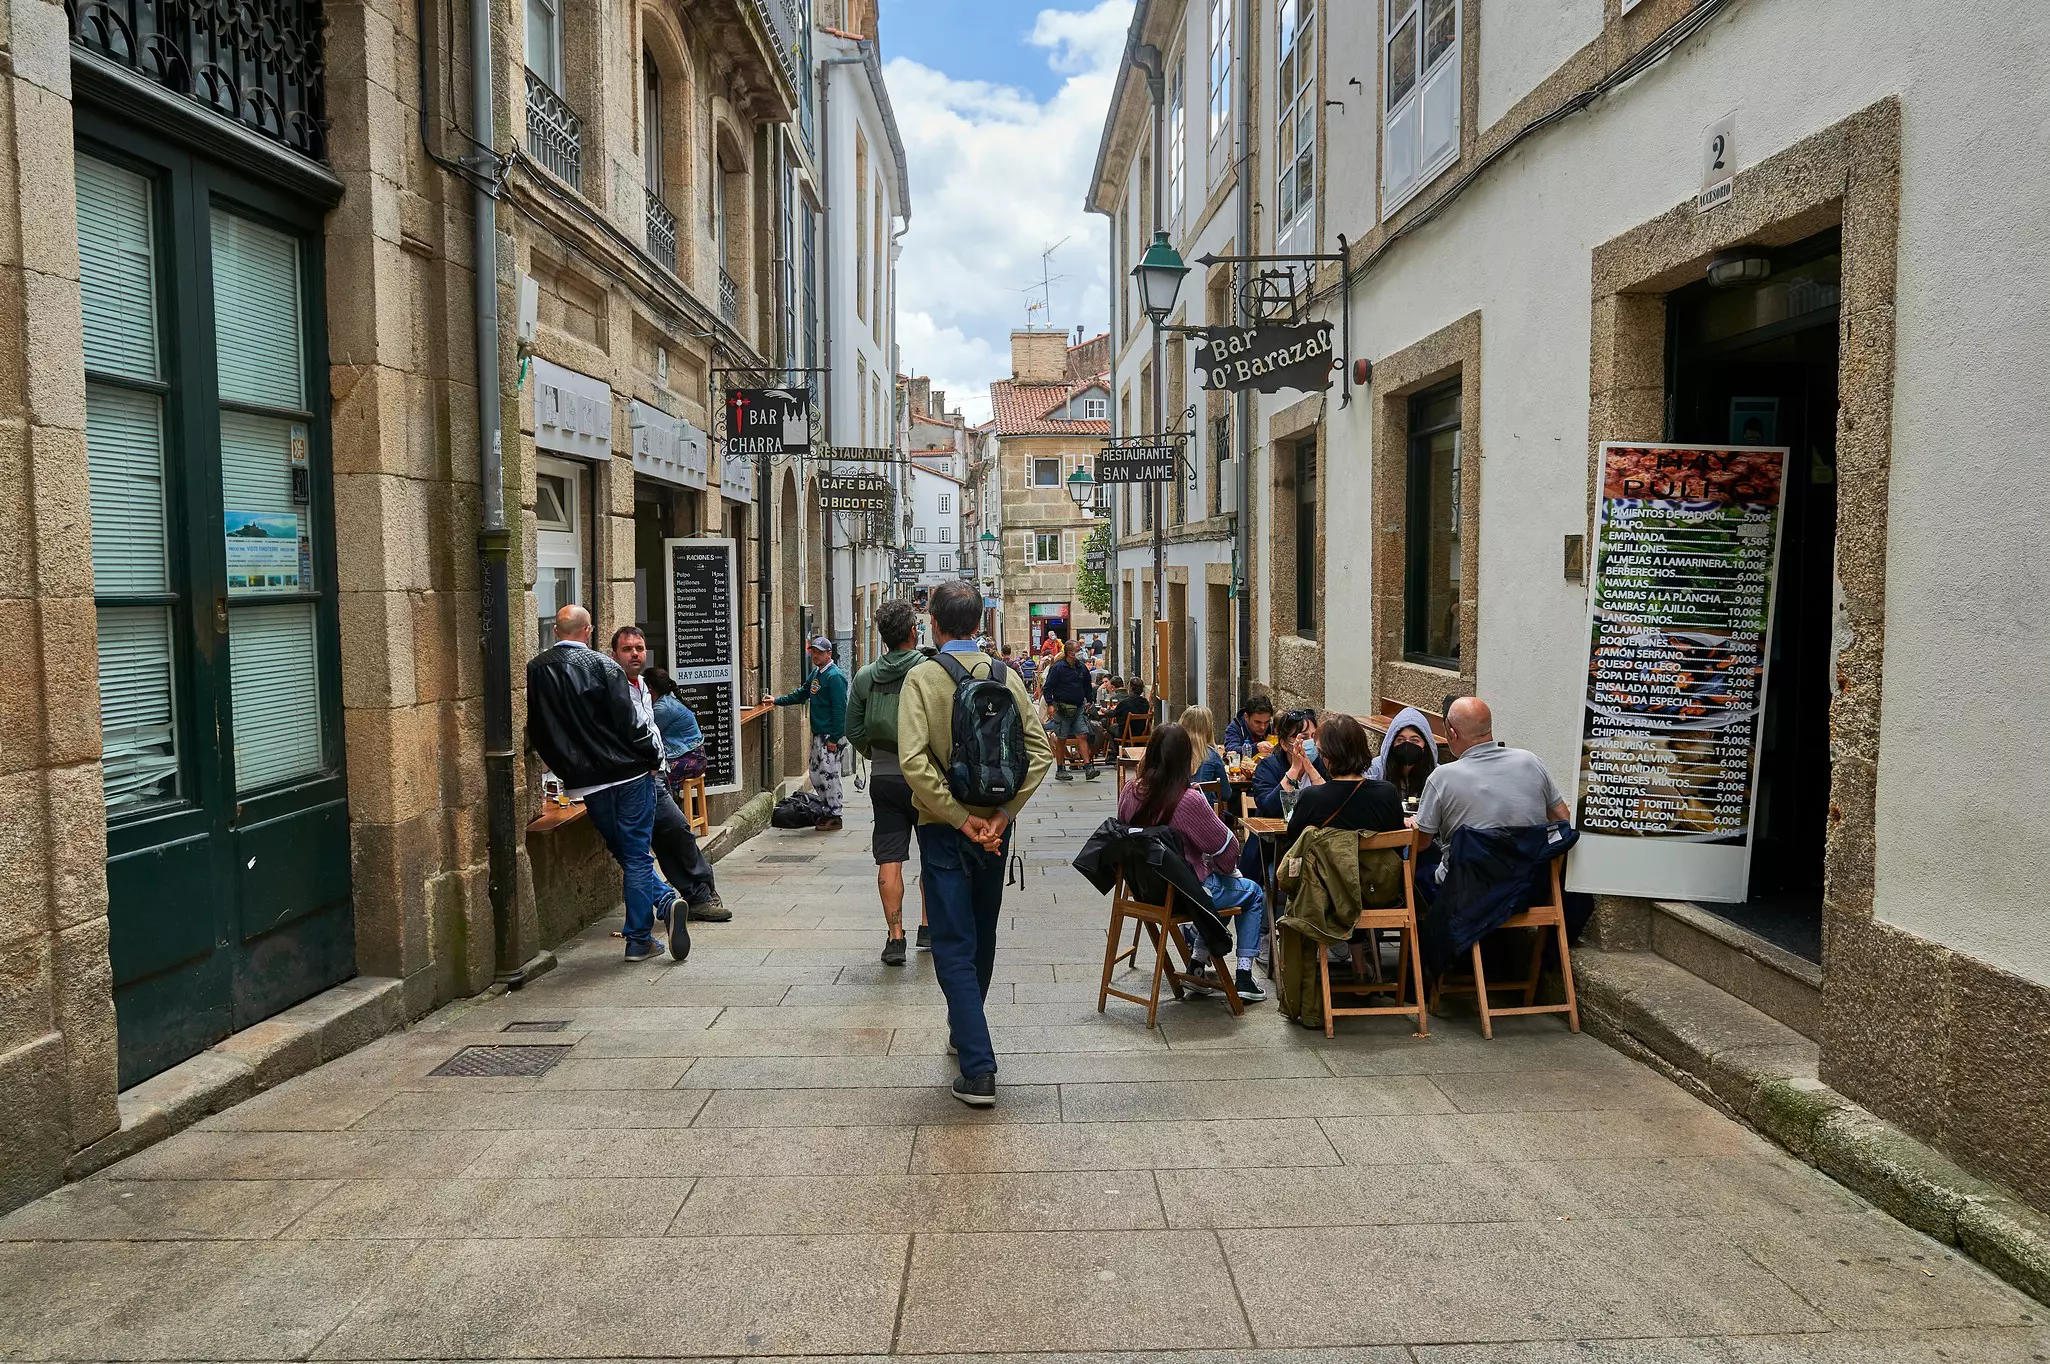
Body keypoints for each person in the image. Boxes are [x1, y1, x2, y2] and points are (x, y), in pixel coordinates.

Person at [897, 580, 1053, 1107]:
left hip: (945, 829)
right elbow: (1040, 753)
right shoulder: (1007, 676)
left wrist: (963, 821)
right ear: (982, 622)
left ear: (935, 625)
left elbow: (914, 762)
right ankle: (966, 1032)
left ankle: (979, 1066)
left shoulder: (922, 678)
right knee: (982, 933)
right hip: (996, 833)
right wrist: (1001, 817)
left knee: (951, 942)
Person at [525, 605, 684, 963]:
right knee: (637, 854)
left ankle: (663, 902)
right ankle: (639, 938)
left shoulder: (536, 669)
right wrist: (653, 758)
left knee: (625, 851)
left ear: (555, 632)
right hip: (628, 774)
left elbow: (538, 727)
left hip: (586, 783)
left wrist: (564, 768)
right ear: (589, 631)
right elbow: (629, 723)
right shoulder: (603, 666)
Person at [1116, 723, 1268, 1003]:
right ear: (1186, 758)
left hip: (1144, 892)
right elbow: (1228, 849)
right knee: (1251, 893)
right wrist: (1204, 809)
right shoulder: (1188, 800)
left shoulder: (1130, 791)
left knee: (1216, 890)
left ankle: (1197, 964)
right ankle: (1244, 975)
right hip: (1184, 896)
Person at [610, 630, 727, 922]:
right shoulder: (612, 689)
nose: (635, 653)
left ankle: (696, 895)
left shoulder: (643, 691)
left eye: (639, 648)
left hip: (655, 776)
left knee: (674, 833)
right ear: (615, 655)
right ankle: (685, 898)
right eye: (627, 649)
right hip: (634, 779)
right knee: (669, 834)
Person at [847, 600, 930, 964]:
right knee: (933, 854)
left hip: (884, 778)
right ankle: (929, 928)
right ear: (913, 632)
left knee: (890, 858)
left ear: (882, 638)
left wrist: (876, 754)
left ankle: (895, 938)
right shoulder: (929, 670)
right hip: (926, 779)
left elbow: (852, 729)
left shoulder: (865, 676)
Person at [1414, 697, 1571, 882]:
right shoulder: (1531, 761)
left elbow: (1422, 843)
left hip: (1467, 893)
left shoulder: (1442, 777)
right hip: (1528, 887)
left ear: (1452, 733)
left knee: (1419, 867)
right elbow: (1563, 819)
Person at [769, 636, 849, 832]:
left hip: (829, 735)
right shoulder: (817, 673)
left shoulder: (834, 677)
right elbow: (802, 693)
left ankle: (835, 814)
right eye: (813, 651)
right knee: (816, 774)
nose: (815, 655)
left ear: (829, 653)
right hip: (818, 734)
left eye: (819, 652)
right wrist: (777, 701)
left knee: (829, 776)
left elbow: (840, 710)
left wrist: (835, 738)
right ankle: (826, 809)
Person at [1248, 707, 1327, 818]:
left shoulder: (1323, 764)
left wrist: (1310, 768)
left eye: (1313, 736)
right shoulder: (1267, 767)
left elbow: (1331, 805)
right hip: (1276, 834)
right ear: (1284, 744)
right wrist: (1294, 769)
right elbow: (1269, 809)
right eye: (1303, 737)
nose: (1310, 742)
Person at [1042, 638, 1098, 781]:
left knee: (1082, 735)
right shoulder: (1058, 668)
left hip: (1079, 707)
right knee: (1061, 738)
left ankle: (1088, 767)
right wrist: (1050, 704)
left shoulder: (1082, 668)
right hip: (1062, 708)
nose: (1081, 652)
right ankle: (1060, 769)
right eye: (1078, 650)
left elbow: (1087, 686)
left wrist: (1089, 700)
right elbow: (1048, 687)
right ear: (1070, 653)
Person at [1369, 705, 1438, 811]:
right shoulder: (1375, 770)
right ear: (1391, 743)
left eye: (1415, 740)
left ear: (1426, 744)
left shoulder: (1436, 774)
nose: (1407, 746)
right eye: (1400, 740)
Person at [1179, 705, 1229, 796]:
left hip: (1175, 808)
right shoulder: (1212, 755)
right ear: (1208, 728)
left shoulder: (1173, 752)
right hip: (1204, 808)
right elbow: (1225, 794)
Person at [1106, 676, 1153, 744]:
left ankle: (1114, 751)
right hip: (1140, 731)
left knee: (1110, 728)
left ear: (1130, 689)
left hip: (1126, 733)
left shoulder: (1125, 702)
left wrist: (1105, 711)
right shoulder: (1145, 702)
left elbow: (1112, 714)